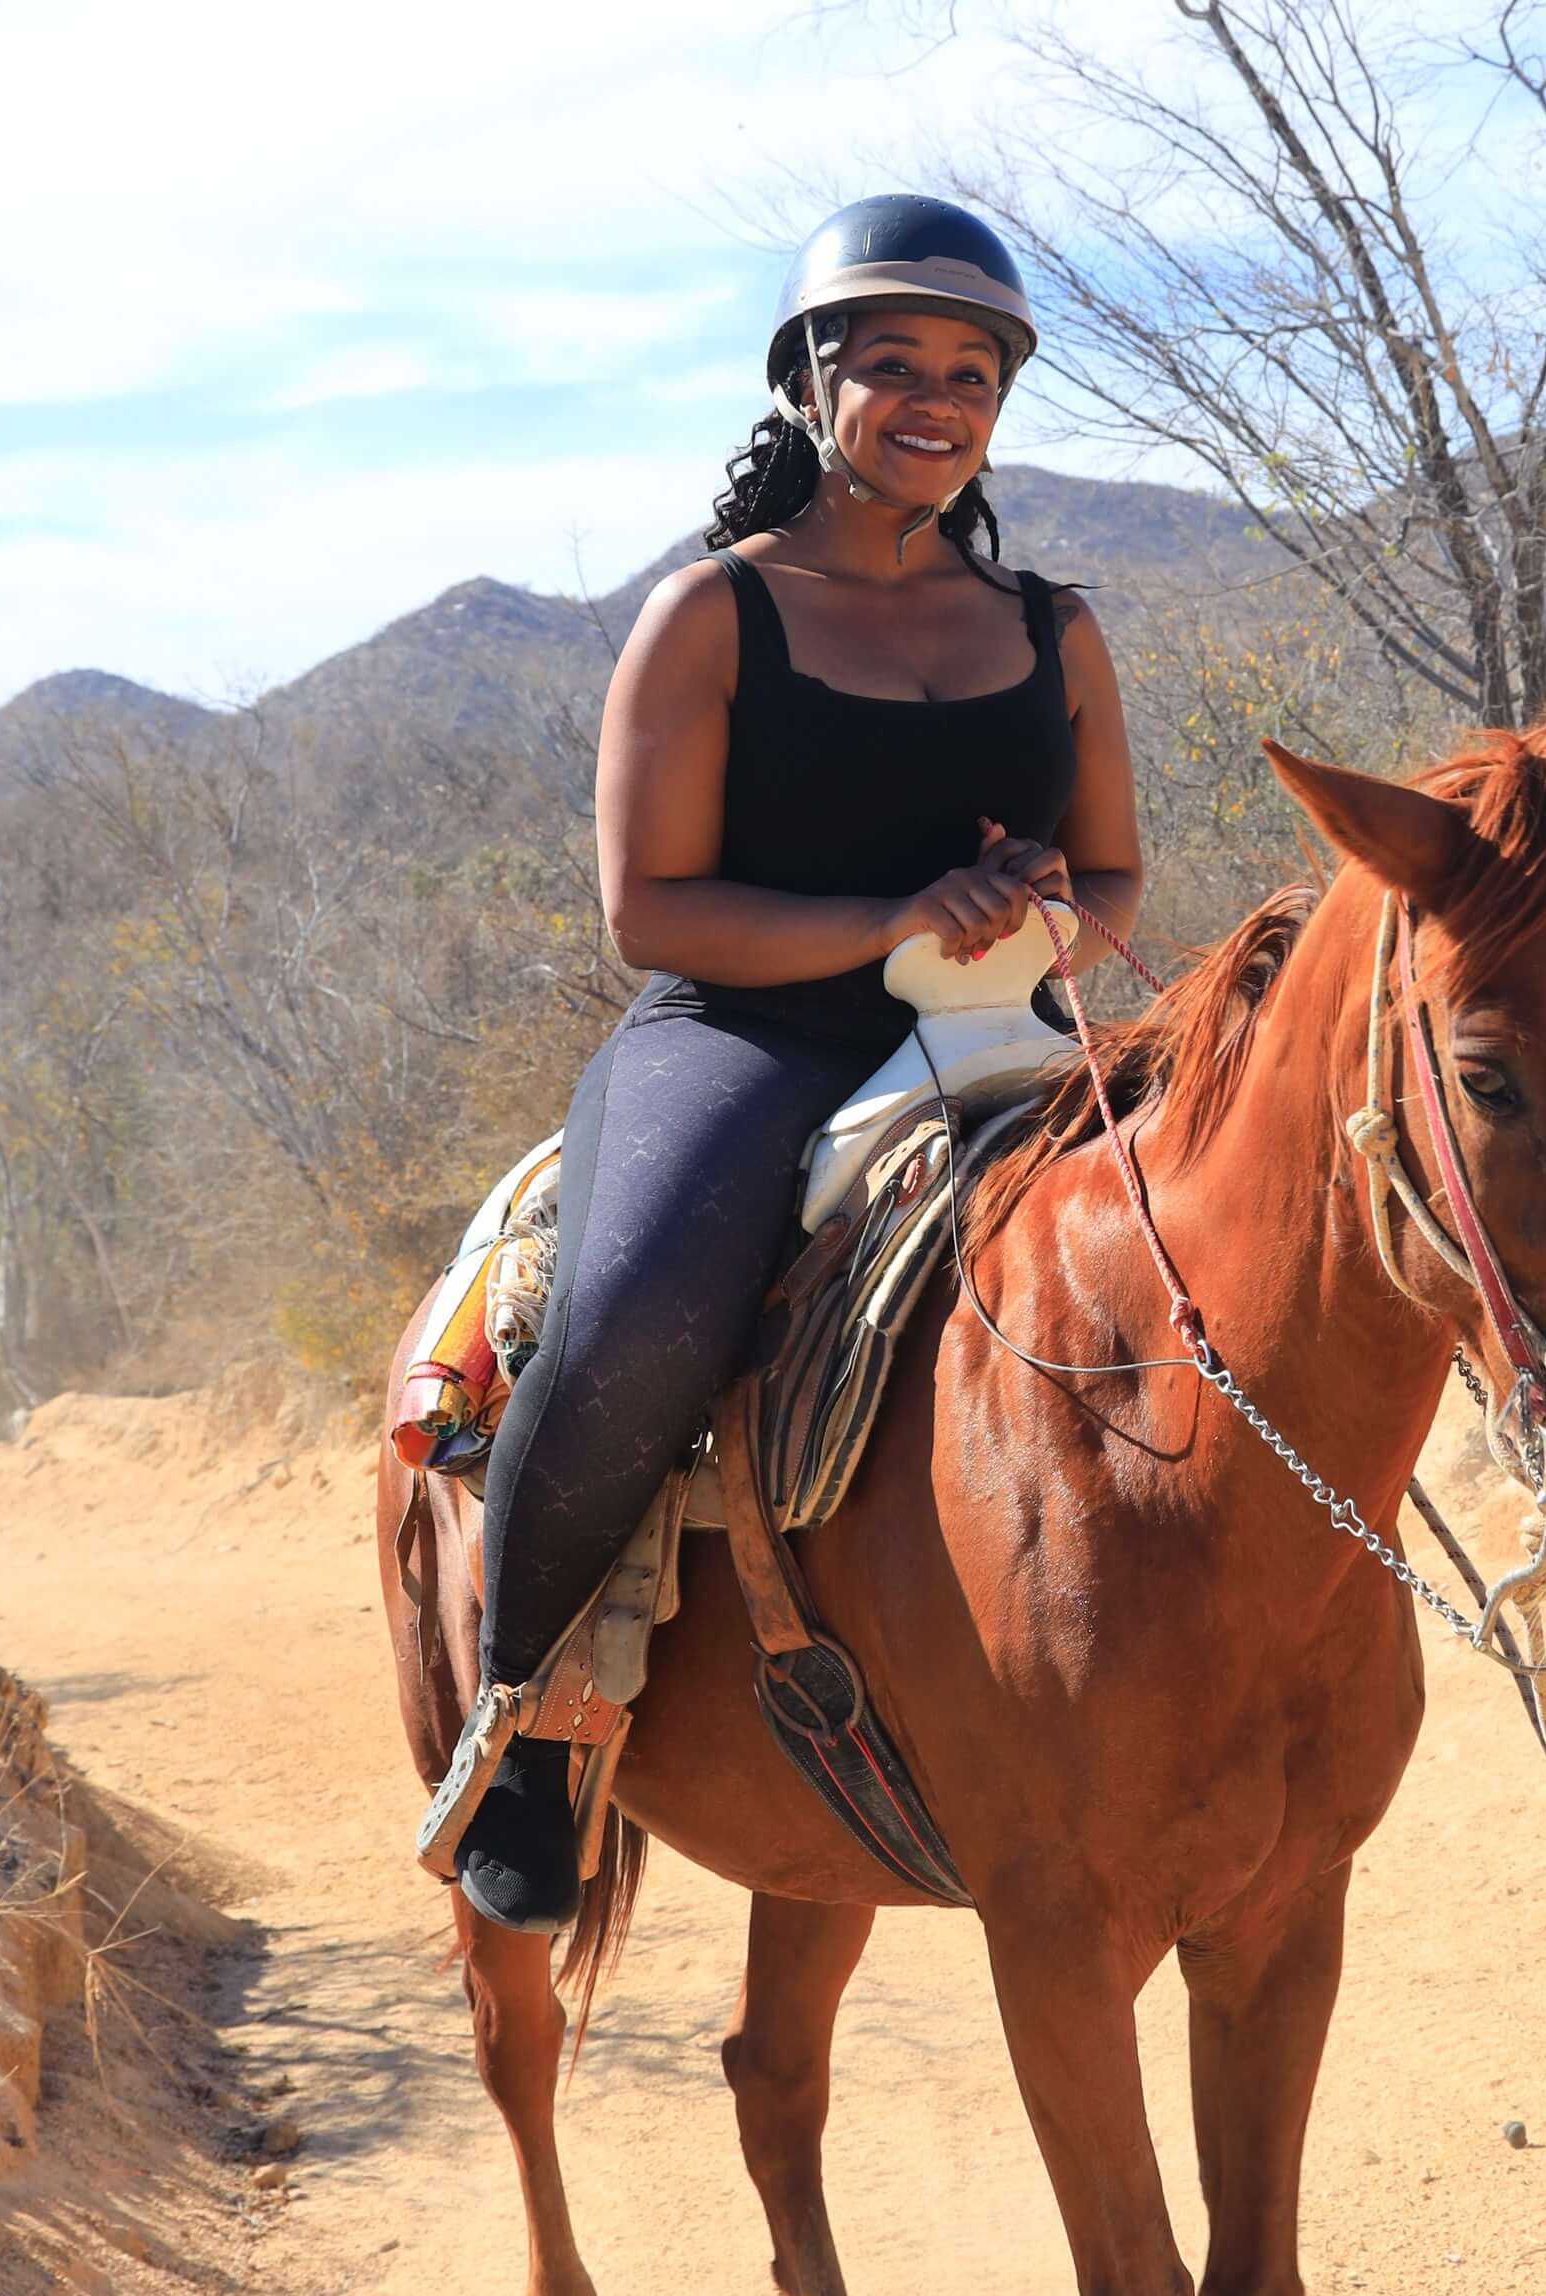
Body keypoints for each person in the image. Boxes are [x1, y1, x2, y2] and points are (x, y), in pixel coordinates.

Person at [430, 195, 1145, 1932]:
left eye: (971, 373)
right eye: (894, 363)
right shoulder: (712, 614)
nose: (936, 400)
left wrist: (1049, 911)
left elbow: (1118, 876)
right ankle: (528, 1721)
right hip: (751, 1033)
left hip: (999, 1027)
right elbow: (650, 910)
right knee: (634, 1319)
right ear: (809, 382)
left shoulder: (1053, 627)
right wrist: (894, 915)